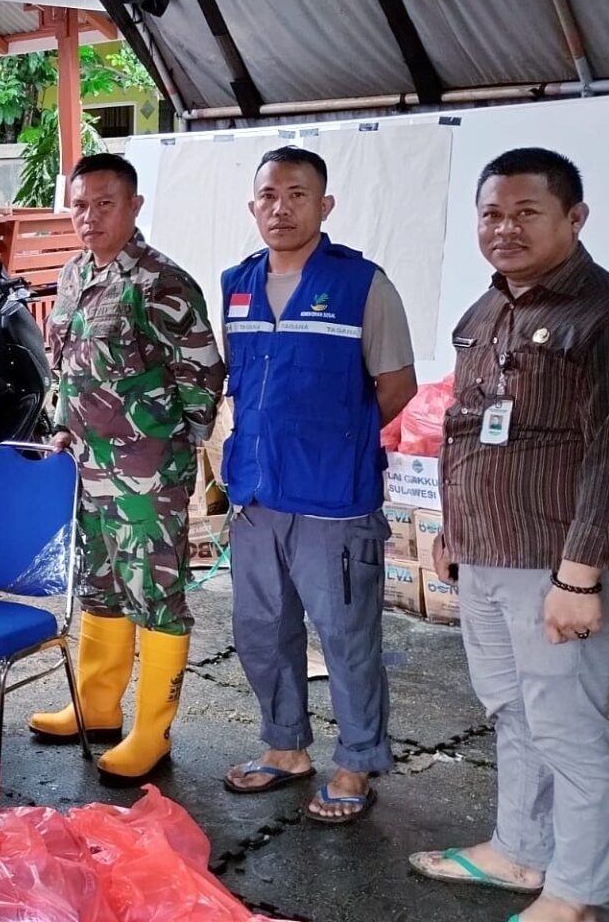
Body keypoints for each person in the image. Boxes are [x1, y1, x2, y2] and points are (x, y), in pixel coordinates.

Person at [409, 149, 609, 922]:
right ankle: (520, 850)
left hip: (560, 563)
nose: (505, 228)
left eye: (527, 213)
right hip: (487, 555)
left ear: (574, 219)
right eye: (493, 214)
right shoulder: (487, 310)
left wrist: (579, 576)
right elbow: (464, 430)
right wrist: (452, 533)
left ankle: (578, 892)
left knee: (566, 726)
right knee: (512, 711)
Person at [219, 145, 418, 825]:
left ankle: (357, 760)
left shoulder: (363, 284)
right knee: (260, 631)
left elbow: (396, 387)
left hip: (334, 500)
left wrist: (335, 442)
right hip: (256, 496)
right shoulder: (236, 284)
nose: (281, 208)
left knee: (345, 637)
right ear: (254, 206)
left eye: (298, 195)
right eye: (269, 195)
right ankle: (285, 749)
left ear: (323, 205)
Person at [28, 152, 226, 786]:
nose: (89, 217)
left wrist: (174, 451)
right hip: (87, 469)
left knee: (156, 596)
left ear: (134, 206)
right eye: (80, 205)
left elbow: (203, 374)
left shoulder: (161, 282)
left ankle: (152, 731)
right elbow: (68, 369)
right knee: (101, 588)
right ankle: (99, 706)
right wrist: (62, 426)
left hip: (146, 472)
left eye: (104, 204)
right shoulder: (73, 274)